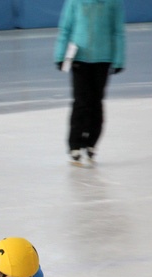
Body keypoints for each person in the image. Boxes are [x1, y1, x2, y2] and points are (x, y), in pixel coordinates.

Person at [54, 0, 126, 166]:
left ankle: (91, 142)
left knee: (96, 102)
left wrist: (119, 59)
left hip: (103, 59)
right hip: (79, 58)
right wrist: (60, 55)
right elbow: (65, 28)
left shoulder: (113, 3)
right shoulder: (74, 2)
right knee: (81, 101)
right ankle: (75, 144)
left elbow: (118, 31)